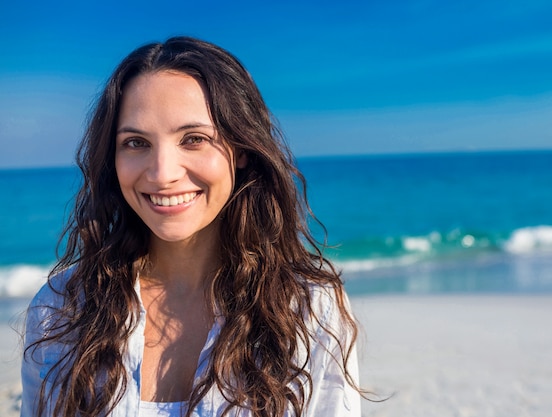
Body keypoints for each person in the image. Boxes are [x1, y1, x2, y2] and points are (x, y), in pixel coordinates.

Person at [21, 37, 362, 417]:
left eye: (194, 139)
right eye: (136, 143)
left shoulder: (307, 307)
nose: (163, 173)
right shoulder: (61, 308)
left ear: (242, 148)